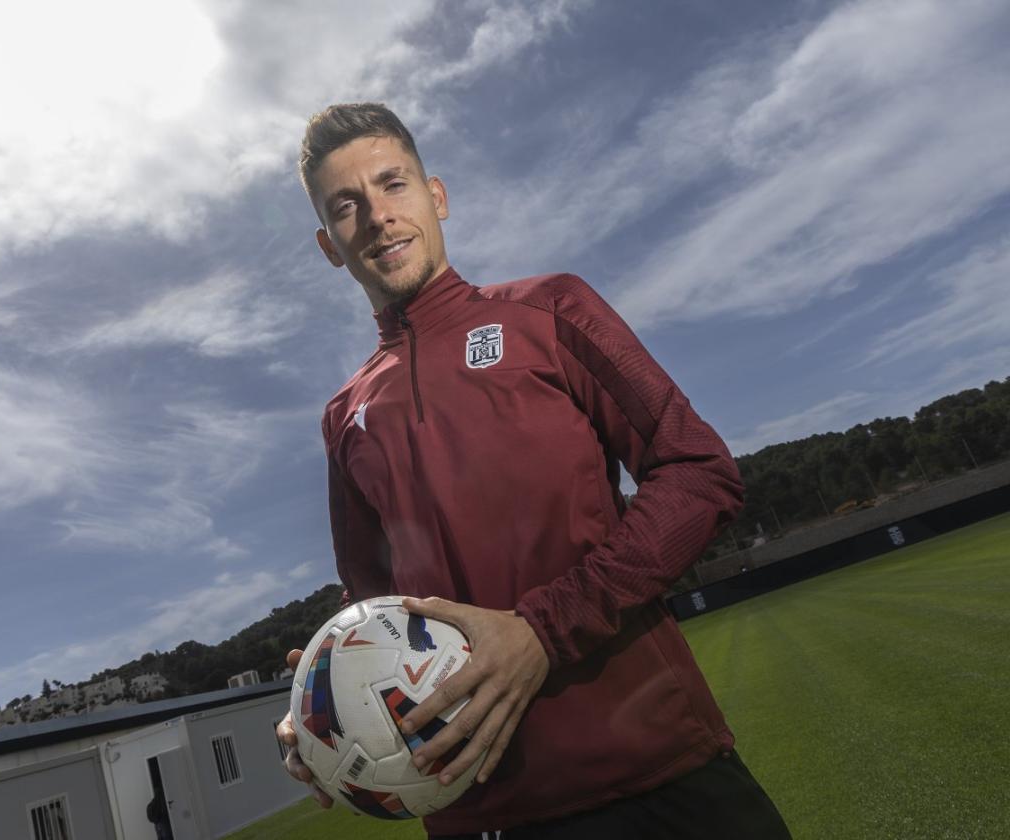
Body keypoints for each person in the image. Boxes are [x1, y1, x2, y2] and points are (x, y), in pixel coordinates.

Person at [276, 102, 791, 839]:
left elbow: (699, 472)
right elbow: (373, 607)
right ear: (331, 245)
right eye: (347, 206)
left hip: (657, 773)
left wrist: (541, 631)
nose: (379, 217)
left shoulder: (549, 310)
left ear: (437, 196)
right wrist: (319, 704)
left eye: (392, 185)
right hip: (480, 811)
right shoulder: (345, 415)